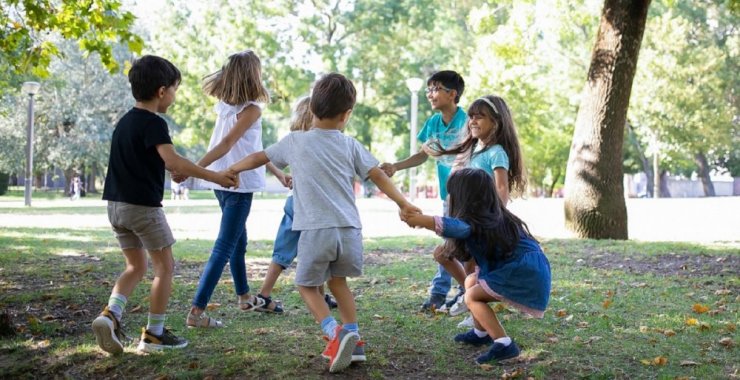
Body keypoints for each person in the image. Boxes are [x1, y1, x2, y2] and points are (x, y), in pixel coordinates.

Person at [227, 73, 419, 373]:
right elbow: (379, 174)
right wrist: (404, 203)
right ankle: (354, 339)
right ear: (347, 115)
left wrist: (233, 168)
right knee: (338, 283)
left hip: (316, 231)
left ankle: (335, 333)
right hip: (350, 231)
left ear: (311, 109)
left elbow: (259, 157)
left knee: (305, 284)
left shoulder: (295, 141)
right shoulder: (350, 144)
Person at [91, 55, 237, 355]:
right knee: (165, 268)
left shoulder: (125, 122)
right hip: (143, 209)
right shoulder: (154, 123)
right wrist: (216, 176)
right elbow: (172, 159)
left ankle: (111, 315)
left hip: (116, 207)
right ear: (161, 91)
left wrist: (175, 169)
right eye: (174, 89)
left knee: (135, 266)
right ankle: (154, 334)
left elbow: (151, 161)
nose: (175, 95)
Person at [172, 50, 290, 329]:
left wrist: (278, 172)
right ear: (253, 75)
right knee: (225, 245)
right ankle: (197, 311)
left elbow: (254, 148)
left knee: (239, 241)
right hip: (237, 182)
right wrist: (191, 168)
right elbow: (225, 145)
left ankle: (244, 297)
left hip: (223, 182)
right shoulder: (250, 110)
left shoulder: (227, 107)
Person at [402, 168, 550, 364]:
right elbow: (465, 255)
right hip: (525, 269)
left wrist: (422, 221)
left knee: (472, 296)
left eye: (452, 194)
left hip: (522, 272)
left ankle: (504, 344)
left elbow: (456, 226)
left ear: (464, 198)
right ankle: (481, 333)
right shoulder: (491, 218)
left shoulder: (477, 222)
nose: (449, 199)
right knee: (471, 282)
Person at [425, 95, 528, 320]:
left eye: (480, 117)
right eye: (471, 116)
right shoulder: (474, 151)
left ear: (496, 123)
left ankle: (474, 308)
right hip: (466, 220)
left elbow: (502, 188)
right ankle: (469, 296)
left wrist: (496, 218)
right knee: (444, 255)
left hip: (482, 222)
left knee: (470, 266)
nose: (472, 121)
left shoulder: (497, 152)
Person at [380, 70, 467, 312]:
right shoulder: (433, 123)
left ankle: (444, 293)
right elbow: (422, 155)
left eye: (436, 89)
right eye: (429, 89)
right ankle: (459, 290)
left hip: (468, 195)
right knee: (451, 243)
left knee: (453, 244)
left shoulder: (468, 121)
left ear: (452, 94)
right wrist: (395, 166)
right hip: (447, 195)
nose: (430, 94)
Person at [255, 96, 337, 314]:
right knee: (317, 250)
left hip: (294, 202)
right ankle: (319, 295)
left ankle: (264, 295)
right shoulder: (322, 141)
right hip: (312, 206)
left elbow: (266, 156)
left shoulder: (293, 140)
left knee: (282, 251)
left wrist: (285, 175)